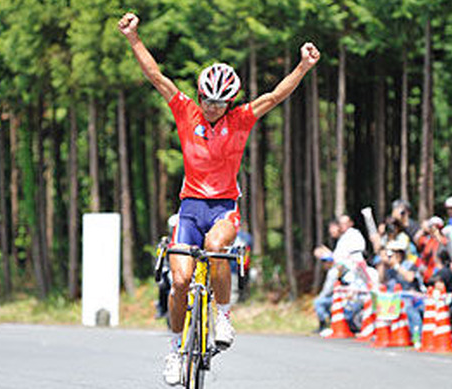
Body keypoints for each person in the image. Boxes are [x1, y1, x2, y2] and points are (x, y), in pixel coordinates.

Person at [118, 12, 321, 385]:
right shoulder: (185, 111)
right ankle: (178, 350)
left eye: (221, 102)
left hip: (224, 208)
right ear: (200, 97)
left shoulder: (241, 118)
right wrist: (133, 38)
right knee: (179, 282)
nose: (213, 107)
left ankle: (223, 317)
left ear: (230, 101)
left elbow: (276, 95)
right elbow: (155, 76)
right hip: (190, 208)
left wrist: (304, 66)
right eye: (208, 101)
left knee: (215, 248)